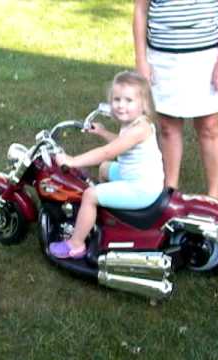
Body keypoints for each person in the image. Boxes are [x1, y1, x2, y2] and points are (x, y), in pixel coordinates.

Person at [49, 71, 165, 259]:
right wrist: (103, 132)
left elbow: (108, 151)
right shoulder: (134, 123)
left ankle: (76, 244)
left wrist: (72, 160)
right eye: (117, 99)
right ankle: (104, 215)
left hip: (142, 189)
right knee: (104, 168)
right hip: (136, 176)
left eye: (128, 100)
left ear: (143, 104)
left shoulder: (140, 128)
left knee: (89, 195)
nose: (121, 105)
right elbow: (121, 142)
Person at [133, 0, 218, 200]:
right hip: (163, 57)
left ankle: (214, 194)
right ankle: (170, 191)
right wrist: (141, 60)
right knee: (168, 127)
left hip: (207, 56)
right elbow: (140, 9)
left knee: (210, 126)